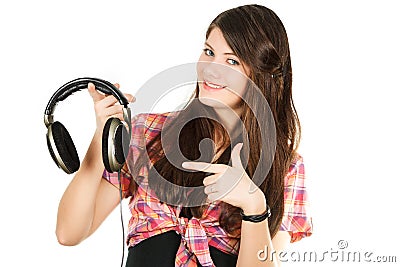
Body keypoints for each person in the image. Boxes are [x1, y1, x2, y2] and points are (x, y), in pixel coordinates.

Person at [56, 4, 312, 267]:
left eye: (232, 61)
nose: (212, 69)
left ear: (263, 75)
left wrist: (254, 206)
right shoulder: (148, 134)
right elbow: (68, 233)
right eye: (209, 52)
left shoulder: (285, 168)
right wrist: (102, 137)